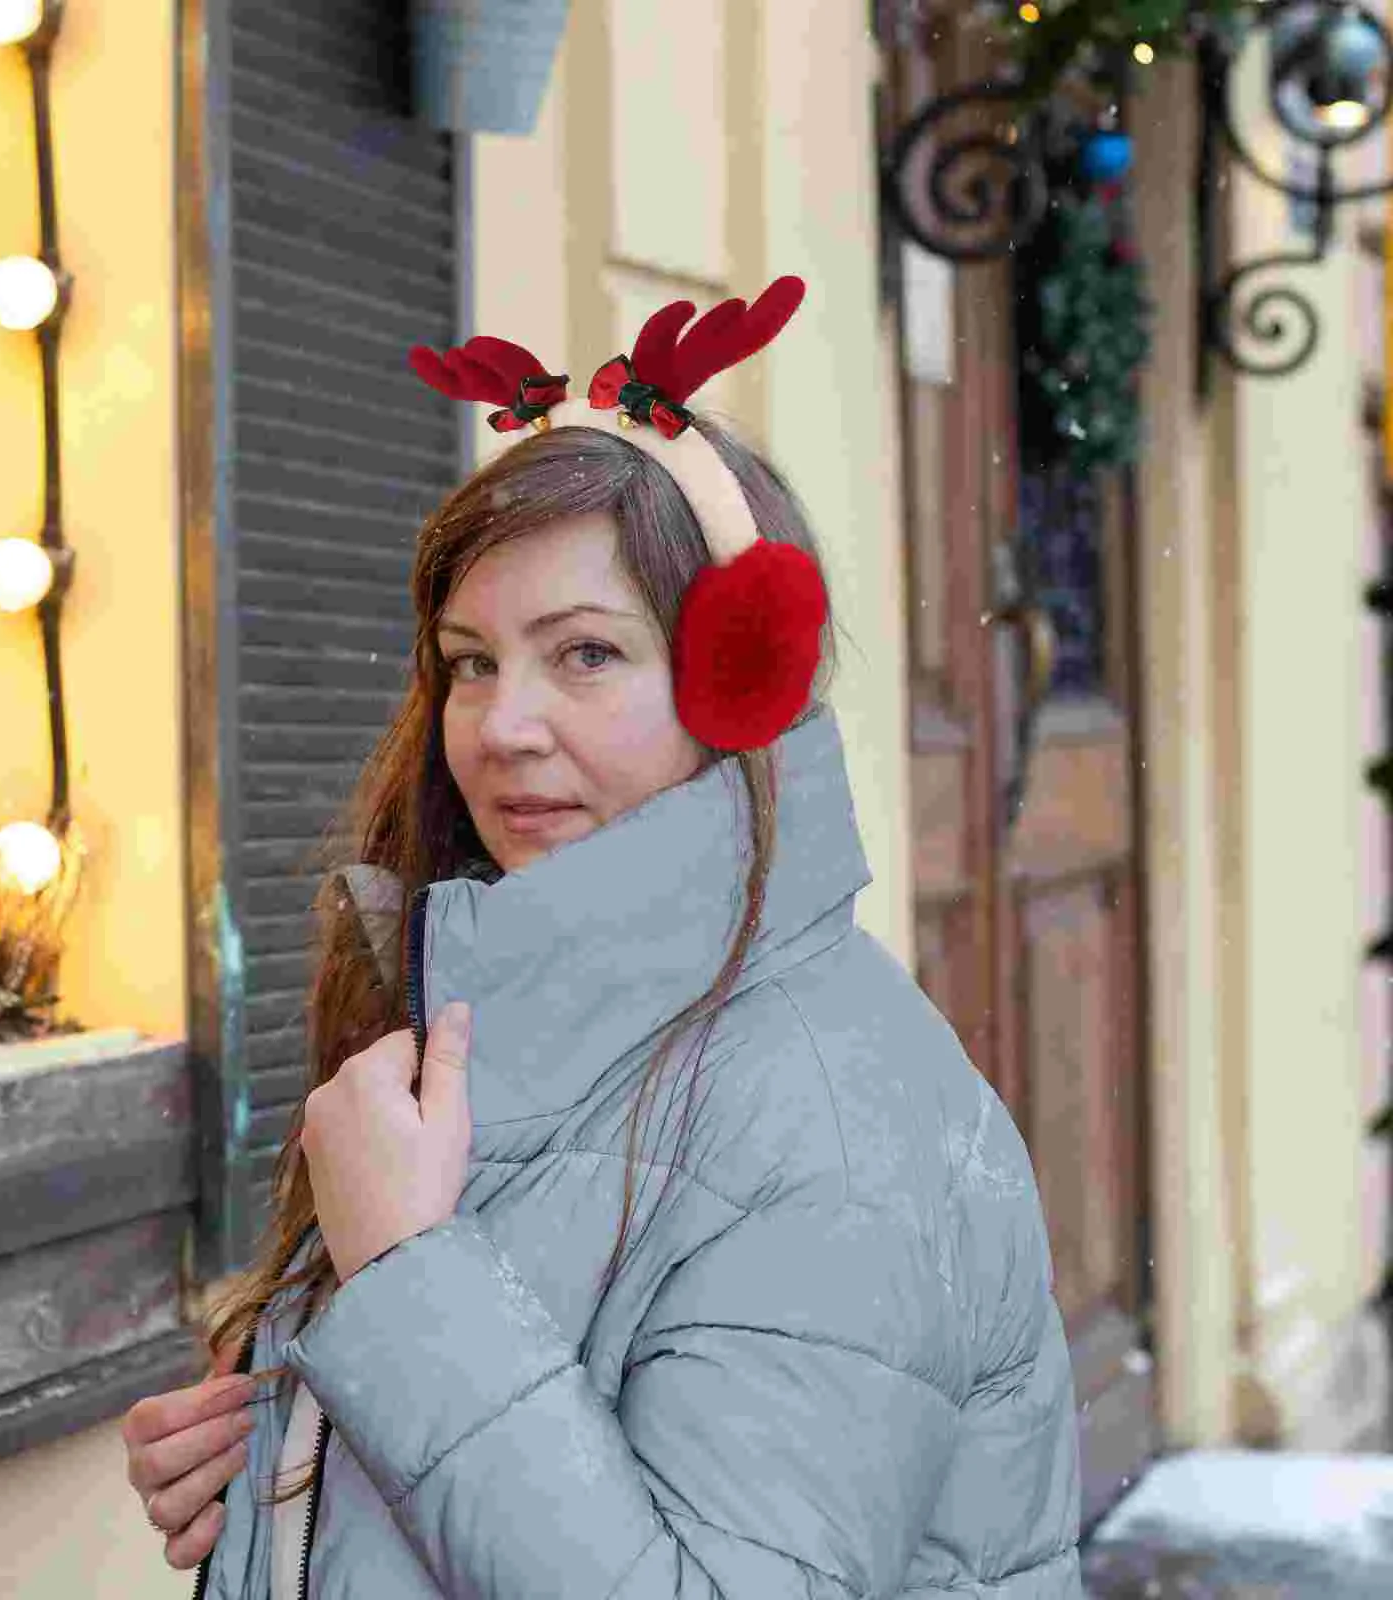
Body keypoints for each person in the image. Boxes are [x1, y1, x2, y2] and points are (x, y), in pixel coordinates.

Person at [121, 281, 1083, 1598]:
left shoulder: (834, 1131)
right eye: (470, 662)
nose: (502, 724)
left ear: (734, 683)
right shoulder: (499, 1021)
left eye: (583, 656)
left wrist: (403, 1279)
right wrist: (279, 1478)